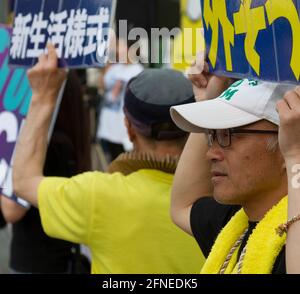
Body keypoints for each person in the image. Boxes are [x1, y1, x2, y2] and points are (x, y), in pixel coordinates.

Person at [12, 44, 204, 274]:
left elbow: (23, 182)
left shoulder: (99, 195)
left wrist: (43, 97)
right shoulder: (222, 197)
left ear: (129, 128)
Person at [170, 56, 300, 274]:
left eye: (229, 134)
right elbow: (182, 205)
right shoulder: (234, 223)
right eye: (211, 135)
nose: (210, 153)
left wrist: (296, 156)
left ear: (284, 141)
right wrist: (207, 100)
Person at [1, 70, 91, 273]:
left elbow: (12, 209)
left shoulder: (46, 146)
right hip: (59, 256)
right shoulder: (68, 139)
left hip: (37, 260)